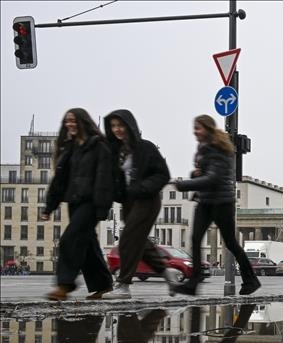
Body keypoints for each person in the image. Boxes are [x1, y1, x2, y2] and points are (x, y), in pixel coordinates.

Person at [170, 115, 260, 296]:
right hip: (205, 200)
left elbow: (214, 178)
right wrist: (195, 175)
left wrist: (185, 184)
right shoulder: (204, 148)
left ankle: (251, 280)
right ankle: (193, 283)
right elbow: (205, 173)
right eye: (194, 128)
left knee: (231, 243)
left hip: (221, 202)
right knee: (195, 239)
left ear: (209, 129)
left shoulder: (218, 147)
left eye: (199, 128)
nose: (195, 131)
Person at [41, 108, 115, 301]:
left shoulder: (99, 146)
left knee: (69, 240)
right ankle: (102, 284)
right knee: (87, 245)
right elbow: (60, 179)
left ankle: (64, 285)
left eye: (73, 120)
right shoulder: (70, 148)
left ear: (82, 122)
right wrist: (49, 206)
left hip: (91, 203)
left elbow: (105, 178)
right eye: (66, 121)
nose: (69, 125)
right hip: (74, 203)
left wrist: (102, 208)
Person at [101, 109, 174, 299]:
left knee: (127, 239)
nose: (117, 129)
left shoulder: (146, 147)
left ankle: (123, 285)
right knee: (141, 243)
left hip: (147, 200)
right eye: (113, 126)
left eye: (121, 125)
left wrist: (142, 187)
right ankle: (167, 273)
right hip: (129, 202)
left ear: (130, 125)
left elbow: (163, 175)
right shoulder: (115, 150)